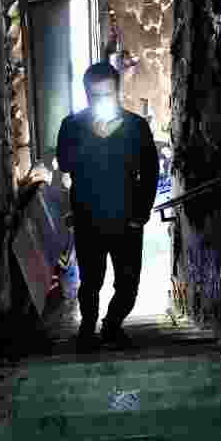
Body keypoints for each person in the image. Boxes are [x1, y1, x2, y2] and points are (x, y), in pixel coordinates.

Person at [56, 62, 159, 353]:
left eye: (108, 94)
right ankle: (87, 330)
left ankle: (112, 326)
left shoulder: (136, 127)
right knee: (90, 282)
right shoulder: (72, 126)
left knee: (128, 285)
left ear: (118, 92)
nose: (101, 101)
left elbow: (150, 171)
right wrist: (92, 140)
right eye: (95, 96)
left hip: (127, 220)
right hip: (89, 218)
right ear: (87, 95)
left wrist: (141, 213)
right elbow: (65, 163)